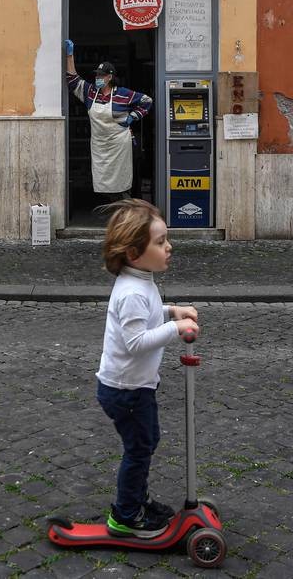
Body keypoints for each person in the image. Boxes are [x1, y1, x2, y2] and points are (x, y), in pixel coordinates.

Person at [96, 199, 200, 538]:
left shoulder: (142, 282)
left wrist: (172, 311)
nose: (168, 247)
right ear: (133, 253)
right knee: (139, 449)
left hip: (136, 386)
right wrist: (177, 329)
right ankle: (126, 514)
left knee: (146, 442)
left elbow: (152, 312)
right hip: (124, 389)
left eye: (166, 239)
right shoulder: (131, 293)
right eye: (160, 242)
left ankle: (137, 501)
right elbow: (136, 342)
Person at [64, 39, 153, 202]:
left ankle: (126, 214)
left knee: (123, 184)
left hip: (120, 146)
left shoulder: (123, 94)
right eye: (96, 75)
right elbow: (73, 80)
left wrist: (133, 117)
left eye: (101, 75)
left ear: (110, 77)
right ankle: (117, 211)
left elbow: (147, 101)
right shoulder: (90, 92)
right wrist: (70, 55)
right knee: (105, 185)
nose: (97, 78)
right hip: (100, 146)